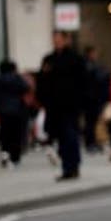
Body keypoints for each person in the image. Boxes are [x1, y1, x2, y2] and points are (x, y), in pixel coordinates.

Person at [37, 31, 87, 181]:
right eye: (54, 39)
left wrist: (80, 102)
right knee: (60, 137)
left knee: (70, 135)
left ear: (66, 40)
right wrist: (43, 100)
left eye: (59, 39)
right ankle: (67, 167)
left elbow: (83, 81)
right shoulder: (48, 59)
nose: (56, 42)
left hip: (70, 105)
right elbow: (42, 81)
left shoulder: (75, 58)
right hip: (54, 107)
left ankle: (72, 166)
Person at [0, 59, 29, 167]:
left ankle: (5, 154)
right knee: (16, 135)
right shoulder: (17, 78)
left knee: (4, 134)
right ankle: (15, 157)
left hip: (3, 110)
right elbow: (26, 87)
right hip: (17, 110)